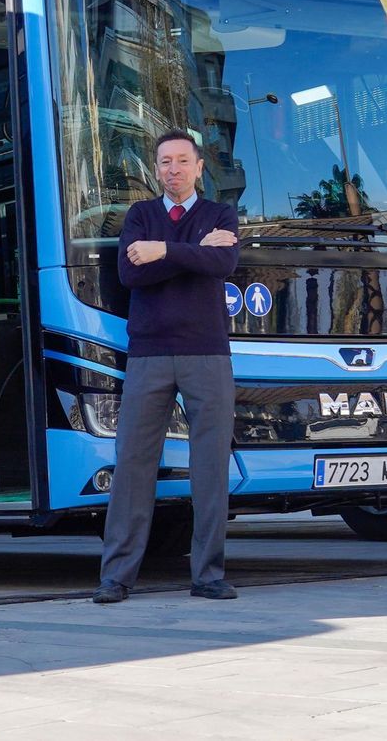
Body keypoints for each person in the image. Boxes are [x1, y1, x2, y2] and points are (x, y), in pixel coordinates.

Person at [94, 129, 241, 604]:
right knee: (133, 464)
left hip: (207, 353)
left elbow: (224, 264)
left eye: (181, 161)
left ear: (200, 167)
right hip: (149, 356)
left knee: (210, 467)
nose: (172, 169)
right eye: (164, 162)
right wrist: (193, 252)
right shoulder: (140, 214)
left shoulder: (220, 213)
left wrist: (164, 250)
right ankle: (116, 577)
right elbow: (129, 272)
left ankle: (208, 575)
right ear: (155, 170)